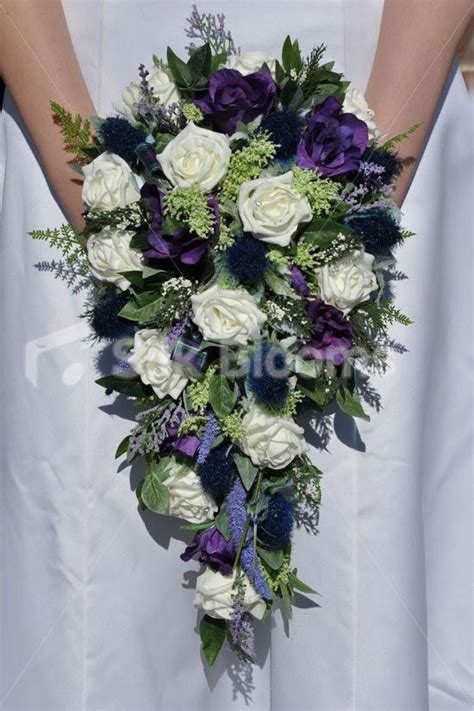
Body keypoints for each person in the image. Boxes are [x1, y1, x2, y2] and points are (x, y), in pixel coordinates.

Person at [0, 1, 472, 709]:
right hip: (80, 118)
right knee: (95, 584)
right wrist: (111, 212)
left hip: (379, 111)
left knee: (358, 566)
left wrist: (354, 202)